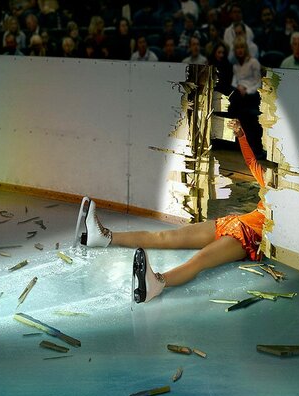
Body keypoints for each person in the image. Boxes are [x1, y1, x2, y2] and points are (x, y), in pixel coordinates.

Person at [77, 118, 265, 303]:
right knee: (165, 236)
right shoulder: (273, 184)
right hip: (232, 223)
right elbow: (251, 162)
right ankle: (104, 237)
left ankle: (157, 284)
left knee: (200, 260)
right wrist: (241, 135)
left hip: (247, 237)